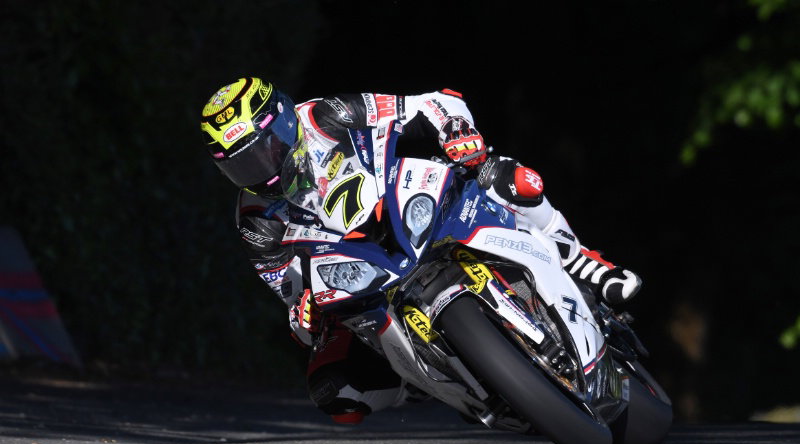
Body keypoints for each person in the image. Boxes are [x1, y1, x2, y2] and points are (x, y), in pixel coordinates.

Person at [200, 77, 642, 423]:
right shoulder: (254, 219)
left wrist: (455, 131)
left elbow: (435, 102)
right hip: (357, 268)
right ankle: (429, 381)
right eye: (239, 165)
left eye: (260, 152)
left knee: (509, 177)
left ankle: (580, 258)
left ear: (281, 123)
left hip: (407, 202)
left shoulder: (325, 115)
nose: (257, 171)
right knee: (335, 392)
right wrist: (303, 315)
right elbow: (288, 291)